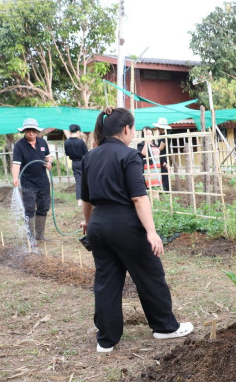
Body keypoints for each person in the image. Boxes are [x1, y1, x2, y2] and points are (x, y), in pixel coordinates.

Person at [80, 107, 193, 354]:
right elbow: (139, 198)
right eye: (133, 129)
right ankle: (164, 327)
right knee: (150, 274)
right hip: (125, 224)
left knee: (106, 281)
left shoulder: (90, 157)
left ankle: (106, 340)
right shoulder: (129, 155)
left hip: (98, 225)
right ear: (126, 129)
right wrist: (151, 232)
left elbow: (86, 199)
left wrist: (88, 223)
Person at [11, 118, 53, 245]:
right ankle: (31, 237)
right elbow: (16, 164)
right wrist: (15, 177)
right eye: (28, 131)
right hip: (28, 182)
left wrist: (49, 163)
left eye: (33, 131)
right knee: (29, 209)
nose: (31, 133)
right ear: (24, 131)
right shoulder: (19, 146)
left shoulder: (42, 142)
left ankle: (40, 235)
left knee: (44, 207)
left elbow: (48, 157)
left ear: (37, 131)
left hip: (43, 181)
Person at [64, 124, 88, 207]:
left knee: (78, 182)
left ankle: (79, 201)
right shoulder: (80, 142)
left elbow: (67, 153)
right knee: (86, 181)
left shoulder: (66, 142)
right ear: (78, 131)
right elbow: (86, 153)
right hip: (83, 162)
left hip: (74, 163)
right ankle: (87, 198)